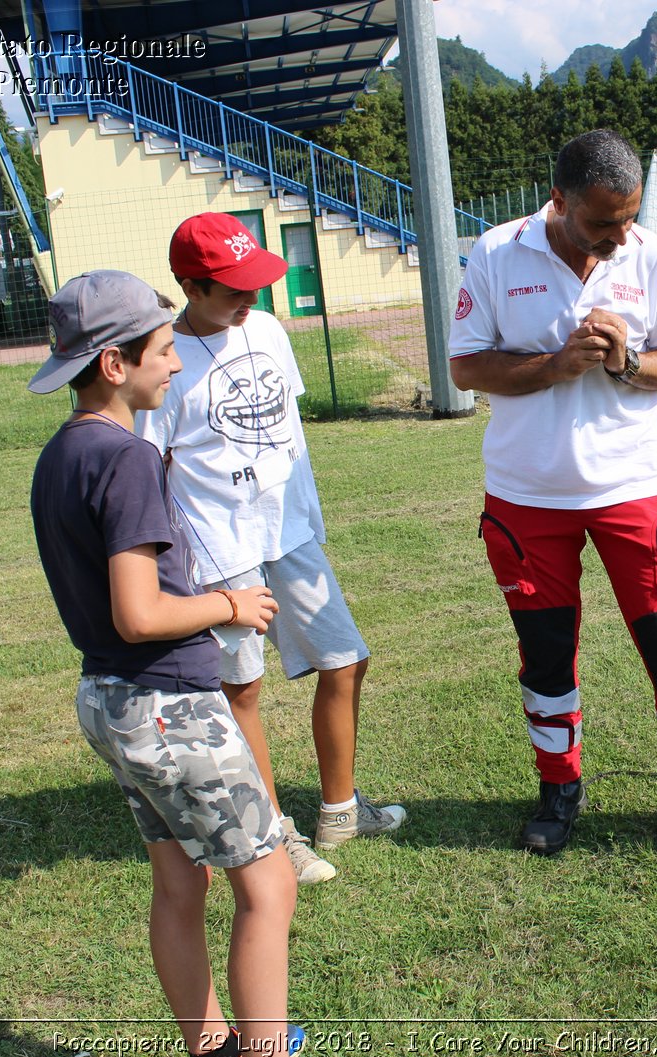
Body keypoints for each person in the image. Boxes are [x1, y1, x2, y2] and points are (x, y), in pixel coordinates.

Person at [447, 129, 657, 871]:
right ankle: (558, 792)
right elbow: (465, 365)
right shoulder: (495, 252)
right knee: (546, 659)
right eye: (602, 222)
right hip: (526, 498)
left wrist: (629, 360)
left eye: (629, 218)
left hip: (635, 491)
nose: (619, 236)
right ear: (558, 200)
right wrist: (552, 366)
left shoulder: (653, 255)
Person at [28, 270, 296, 1057]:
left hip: (109, 700)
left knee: (181, 884)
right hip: (169, 707)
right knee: (269, 883)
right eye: (162, 349)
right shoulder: (129, 459)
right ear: (114, 363)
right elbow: (139, 613)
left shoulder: (60, 453)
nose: (176, 363)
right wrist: (229, 606)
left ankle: (212, 1048)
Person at [135, 212, 404, 888]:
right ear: (190, 288)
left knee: (345, 659)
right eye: (233, 290)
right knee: (242, 689)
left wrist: (310, 518)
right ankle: (273, 834)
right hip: (218, 549)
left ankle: (340, 811)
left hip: (289, 532)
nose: (249, 300)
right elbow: (150, 464)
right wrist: (173, 570)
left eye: (255, 285)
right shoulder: (165, 359)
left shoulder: (267, 331)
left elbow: (290, 432)